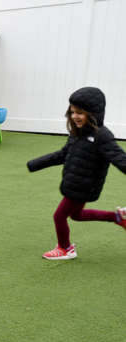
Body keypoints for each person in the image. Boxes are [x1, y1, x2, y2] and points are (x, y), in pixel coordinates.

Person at [27, 87, 126, 260]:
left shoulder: (102, 136)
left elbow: (119, 158)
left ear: (93, 113)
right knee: (76, 215)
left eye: (80, 112)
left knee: (59, 216)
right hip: (73, 182)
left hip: (84, 186)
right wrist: (36, 164)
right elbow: (63, 154)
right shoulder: (77, 133)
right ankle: (118, 217)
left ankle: (65, 249)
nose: (74, 116)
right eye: (72, 112)